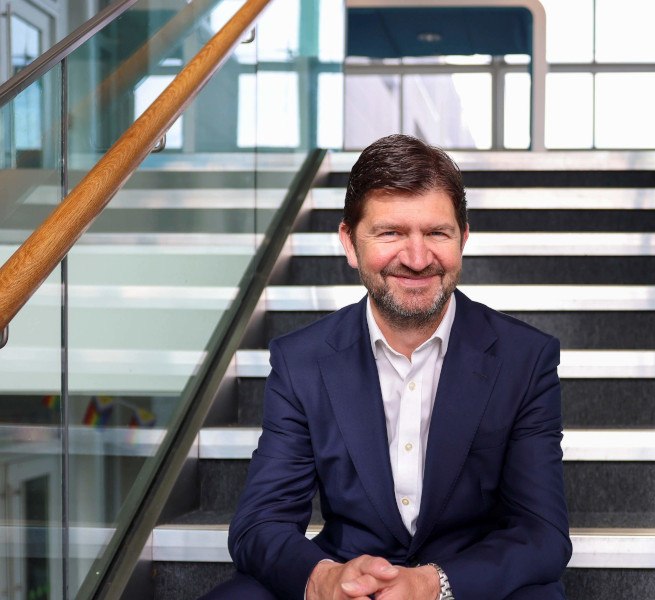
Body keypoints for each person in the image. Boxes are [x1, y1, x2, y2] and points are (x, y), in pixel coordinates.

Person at [203, 134, 571, 600]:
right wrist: (324, 579)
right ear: (350, 243)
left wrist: (430, 585)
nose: (417, 259)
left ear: (464, 239)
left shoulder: (525, 358)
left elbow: (542, 533)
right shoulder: (301, 361)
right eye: (391, 233)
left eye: (437, 233)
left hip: (463, 584)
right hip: (347, 581)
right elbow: (261, 523)